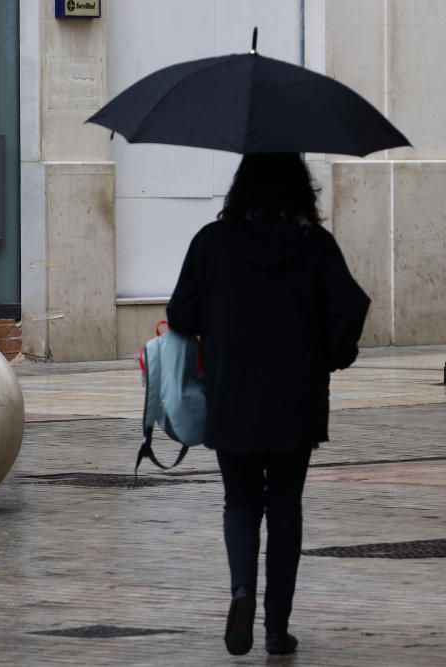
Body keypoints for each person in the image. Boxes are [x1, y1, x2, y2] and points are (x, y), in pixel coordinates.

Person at [166, 153, 370, 656]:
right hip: (295, 398)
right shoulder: (314, 246)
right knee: (284, 506)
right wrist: (331, 355)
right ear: (301, 188)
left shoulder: (212, 243)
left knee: (239, 500)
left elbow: (179, 312)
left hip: (232, 394)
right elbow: (350, 308)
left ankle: (241, 593)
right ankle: (277, 627)